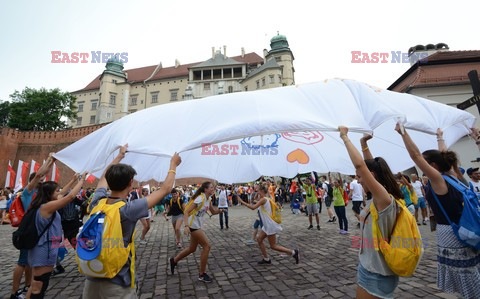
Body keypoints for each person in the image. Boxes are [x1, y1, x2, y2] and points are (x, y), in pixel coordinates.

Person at [82, 145, 181, 298]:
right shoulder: (128, 209)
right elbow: (165, 189)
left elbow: (103, 178)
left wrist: (120, 156)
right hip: (117, 281)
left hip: (93, 276)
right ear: (130, 184)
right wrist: (173, 164)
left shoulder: (97, 202)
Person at [396, 124, 480, 298]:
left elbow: (416, 155)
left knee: (464, 275)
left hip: (451, 233)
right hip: (467, 227)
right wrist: (439, 137)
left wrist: (403, 132)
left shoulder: (438, 179)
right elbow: (443, 154)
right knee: (471, 269)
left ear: (433, 165)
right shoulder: (453, 175)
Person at [339, 126, 402, 299]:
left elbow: (361, 165)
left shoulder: (384, 200)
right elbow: (370, 168)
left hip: (377, 273)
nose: (359, 181)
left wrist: (344, 136)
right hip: (370, 268)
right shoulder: (379, 197)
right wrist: (363, 143)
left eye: (360, 177)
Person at [26, 172, 86, 299]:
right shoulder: (47, 207)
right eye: (56, 191)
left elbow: (63, 192)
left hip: (45, 248)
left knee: (36, 284)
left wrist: (73, 180)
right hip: (44, 249)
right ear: (49, 194)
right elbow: (69, 197)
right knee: (39, 284)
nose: (59, 193)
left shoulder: (44, 203)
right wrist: (82, 180)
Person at [10, 156, 55, 299]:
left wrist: (51, 162)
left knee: (29, 262)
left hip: (35, 232)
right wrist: (49, 160)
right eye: (39, 180)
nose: (41, 181)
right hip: (27, 231)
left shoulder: (37, 193)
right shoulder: (27, 192)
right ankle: (14, 292)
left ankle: (27, 286)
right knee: (22, 262)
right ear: (33, 181)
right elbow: (40, 174)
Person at [170, 181, 223, 283]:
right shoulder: (200, 198)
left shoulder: (209, 199)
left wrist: (220, 211)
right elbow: (186, 212)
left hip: (197, 225)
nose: (213, 189)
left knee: (192, 249)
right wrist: (186, 226)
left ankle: (174, 261)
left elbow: (212, 211)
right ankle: (202, 274)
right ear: (205, 189)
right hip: (192, 225)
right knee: (207, 246)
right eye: (211, 187)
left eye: (213, 187)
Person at [237, 184, 299, 265]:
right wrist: (257, 194)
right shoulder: (266, 199)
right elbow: (254, 200)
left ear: (262, 191)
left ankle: (293, 252)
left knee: (273, 246)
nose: (256, 191)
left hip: (270, 226)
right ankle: (266, 259)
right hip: (267, 225)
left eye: (258, 190)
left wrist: (241, 201)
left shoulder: (263, 200)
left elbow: (253, 207)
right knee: (259, 239)